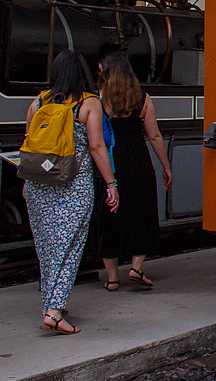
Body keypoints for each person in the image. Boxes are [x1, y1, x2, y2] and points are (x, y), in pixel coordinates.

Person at [24, 50, 119, 334]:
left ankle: (53, 305)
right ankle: (53, 312)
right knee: (69, 247)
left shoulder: (39, 101)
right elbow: (97, 146)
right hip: (73, 185)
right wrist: (112, 184)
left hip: (39, 183)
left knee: (47, 249)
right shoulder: (89, 103)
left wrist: (25, 184)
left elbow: (29, 143)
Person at [94, 52, 172, 291]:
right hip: (138, 159)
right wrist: (166, 166)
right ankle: (136, 268)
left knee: (109, 216)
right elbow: (154, 135)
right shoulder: (143, 98)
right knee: (142, 212)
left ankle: (112, 278)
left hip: (110, 162)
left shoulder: (97, 100)